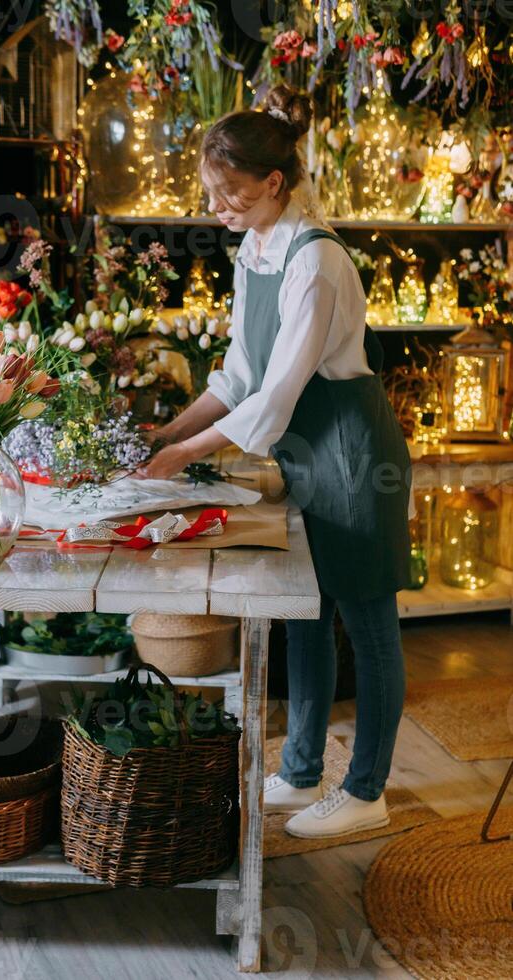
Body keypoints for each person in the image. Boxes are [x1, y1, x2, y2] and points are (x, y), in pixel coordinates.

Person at [131, 84, 412, 839]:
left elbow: (275, 397)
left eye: (232, 193)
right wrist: (168, 432)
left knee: (368, 622)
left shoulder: (315, 263)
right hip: (304, 456)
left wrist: (186, 452)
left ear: (275, 182)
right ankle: (300, 771)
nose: (219, 207)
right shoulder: (255, 250)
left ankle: (366, 789)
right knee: (307, 620)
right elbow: (236, 376)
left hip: (352, 457)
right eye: (212, 194)